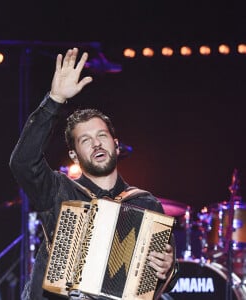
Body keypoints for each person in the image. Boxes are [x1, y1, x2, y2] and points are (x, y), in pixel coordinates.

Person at [10, 47, 178, 300]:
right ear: (74, 156)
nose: (97, 143)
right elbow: (22, 162)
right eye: (86, 140)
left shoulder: (145, 203)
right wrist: (54, 100)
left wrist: (168, 270)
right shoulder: (58, 190)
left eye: (102, 136)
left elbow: (160, 280)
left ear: (116, 145)